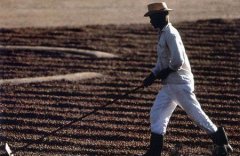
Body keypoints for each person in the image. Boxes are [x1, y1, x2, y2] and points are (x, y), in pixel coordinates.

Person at [142, 2, 233, 156]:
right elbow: (162, 61)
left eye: (152, 17)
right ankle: (154, 151)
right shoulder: (162, 34)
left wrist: (165, 72)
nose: (150, 21)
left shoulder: (171, 34)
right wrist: (152, 75)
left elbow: (178, 61)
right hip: (170, 86)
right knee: (157, 114)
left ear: (161, 16)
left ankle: (221, 142)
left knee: (196, 114)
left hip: (180, 83)